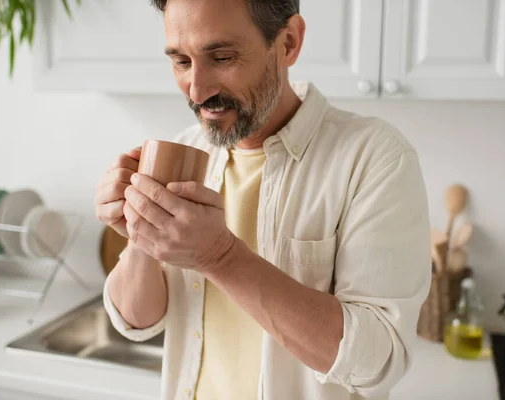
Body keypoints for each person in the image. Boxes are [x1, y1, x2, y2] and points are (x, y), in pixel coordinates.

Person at [95, 0, 432, 399]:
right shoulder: (187, 151)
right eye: (181, 61)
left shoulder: (374, 157)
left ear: (288, 42)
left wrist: (219, 256)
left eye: (221, 56)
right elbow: (137, 321)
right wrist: (142, 235)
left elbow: (378, 363)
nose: (197, 90)